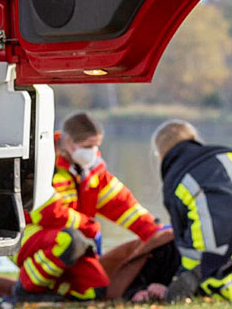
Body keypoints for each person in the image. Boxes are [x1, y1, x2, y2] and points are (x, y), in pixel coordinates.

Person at [9, 112, 162, 300]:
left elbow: (123, 205)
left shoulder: (93, 172)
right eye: (87, 146)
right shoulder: (44, 165)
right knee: (67, 240)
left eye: (97, 145)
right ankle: (25, 290)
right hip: (27, 236)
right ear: (68, 141)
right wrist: (89, 227)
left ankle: (55, 291)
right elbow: (50, 213)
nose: (93, 151)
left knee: (97, 291)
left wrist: (155, 232)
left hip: (76, 241)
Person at [143, 119, 232, 302]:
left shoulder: (175, 180)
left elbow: (181, 236)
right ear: (193, 138)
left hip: (214, 271)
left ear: (161, 154)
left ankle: (193, 280)